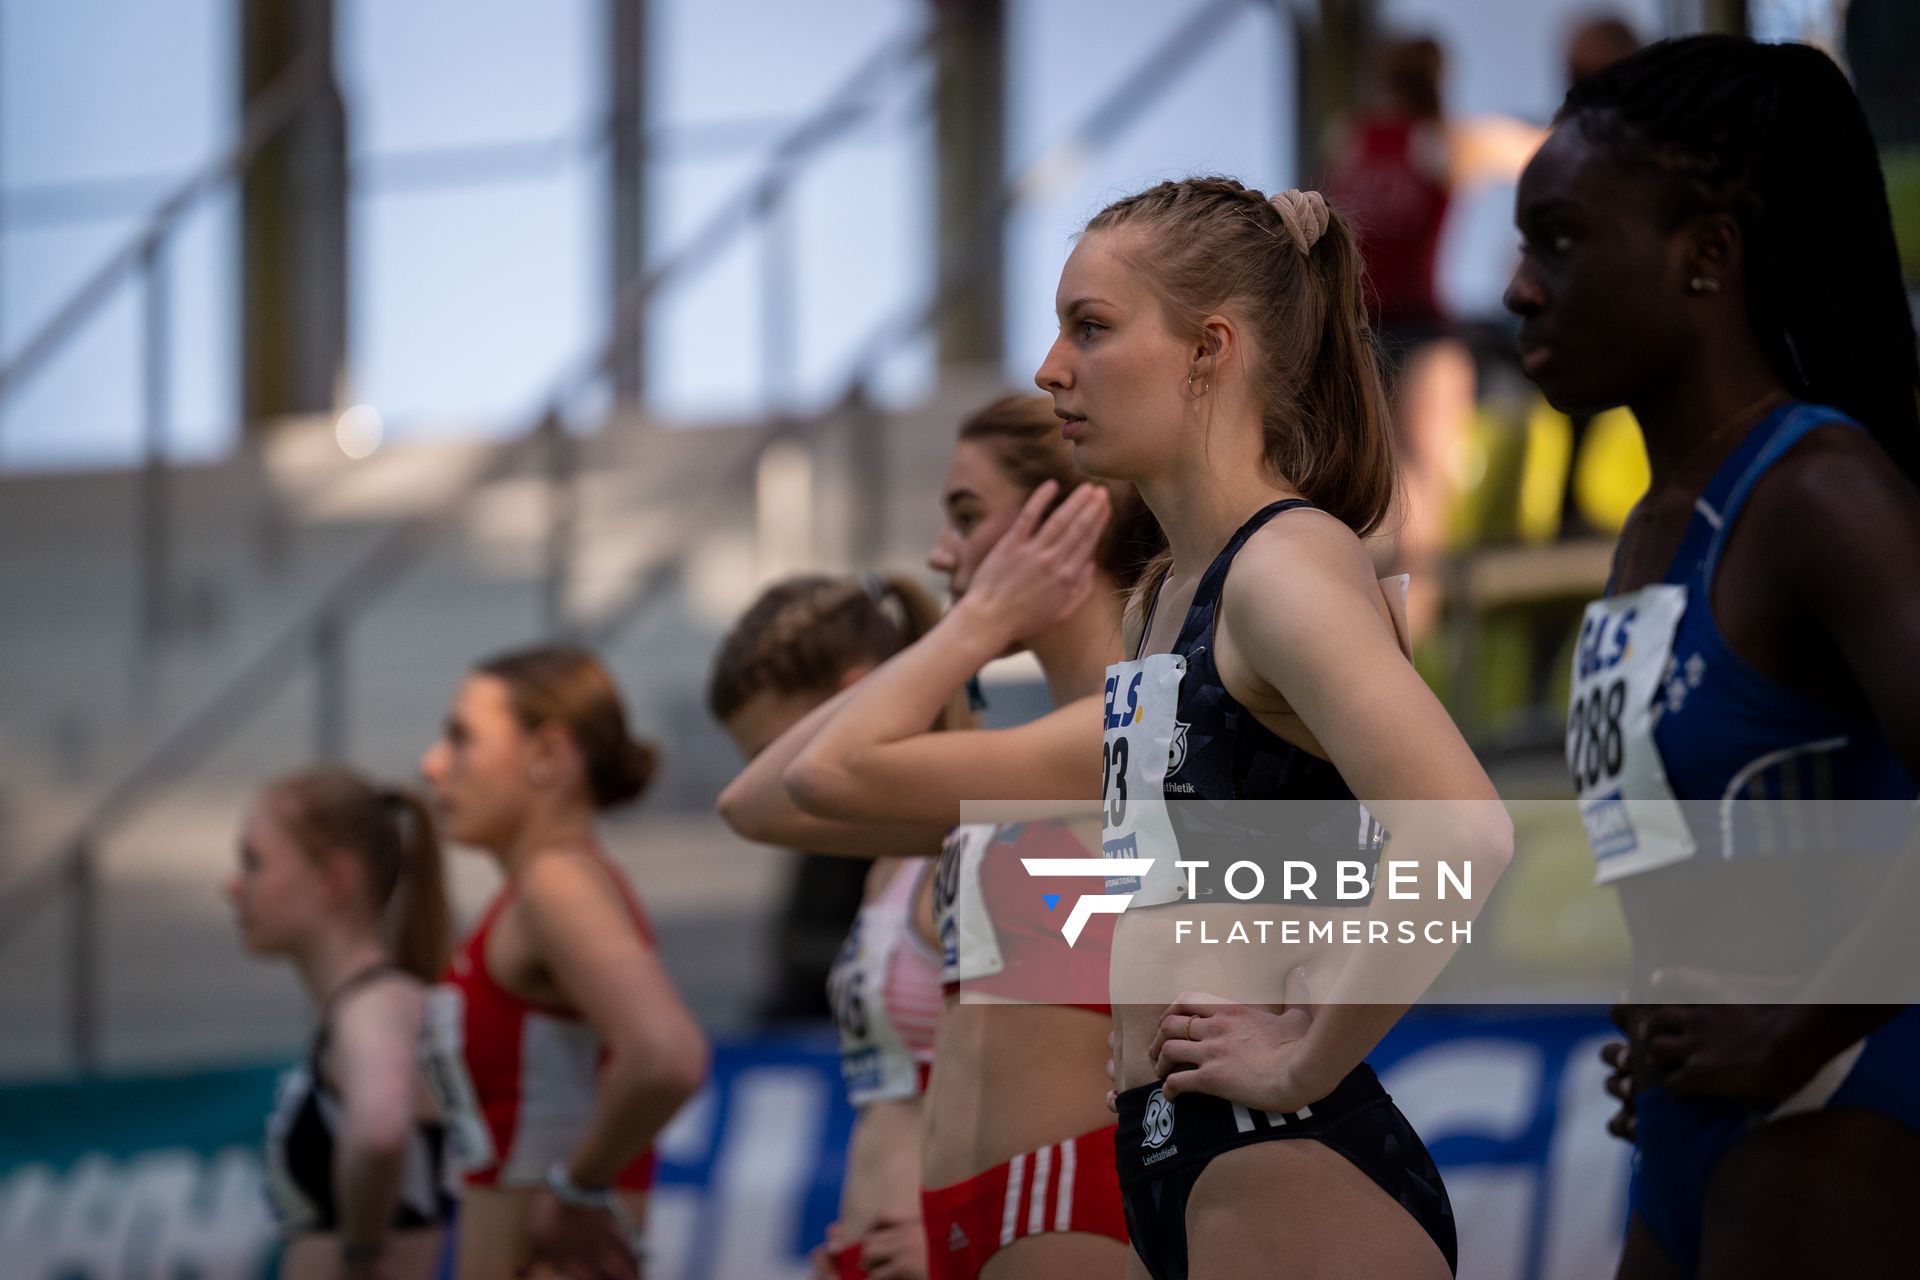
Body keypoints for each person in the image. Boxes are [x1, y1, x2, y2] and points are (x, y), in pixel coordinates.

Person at [1036, 176, 1513, 1279]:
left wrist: (1305, 1055)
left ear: (1210, 348)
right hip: (1182, 1145)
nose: (1050, 367)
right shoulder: (1164, 593)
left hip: (1282, 1148)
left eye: (1090, 328)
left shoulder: (1283, 567)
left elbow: (1465, 833)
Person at [1505, 34, 1920, 1279]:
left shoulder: (1822, 493)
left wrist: (1802, 1023)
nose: (1521, 287)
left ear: (1707, 255)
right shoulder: (1650, 528)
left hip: (1843, 1098)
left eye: (1561, 240)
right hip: (1693, 1123)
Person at [719, 394, 1158, 1279]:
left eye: (966, 517)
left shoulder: (1138, 729)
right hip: (968, 1208)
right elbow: (758, 802)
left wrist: (977, 621)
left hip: (1067, 1195)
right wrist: (976, 622)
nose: (940, 553)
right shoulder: (1017, 764)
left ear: (1071, 517)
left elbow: (817, 777)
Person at [419, 645, 708, 1280]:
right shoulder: (533, 893)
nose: (433, 764)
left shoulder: (559, 884)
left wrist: (579, 1188)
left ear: (547, 753)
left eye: (461, 739)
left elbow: (667, 1056)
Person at [708, 573, 958, 1280]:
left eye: (777, 752)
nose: (778, 778)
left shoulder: (990, 834)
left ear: (855, 694)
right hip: (874, 1246)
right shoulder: (889, 862)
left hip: (954, 1242)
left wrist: (958, 1231)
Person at [1321, 36, 1544, 641]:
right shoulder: (1443, 142)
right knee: (1420, 504)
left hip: (1364, 333)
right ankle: (1403, 643)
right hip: (1407, 331)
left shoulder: (1353, 141)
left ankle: (1384, 638)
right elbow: (1547, 152)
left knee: (1391, 498)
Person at [228, 767, 454, 1280]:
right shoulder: (376, 1005)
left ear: (335, 878)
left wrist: (360, 1250)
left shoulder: (374, 1006)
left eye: (254, 862)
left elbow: (378, 1129)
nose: (232, 885)